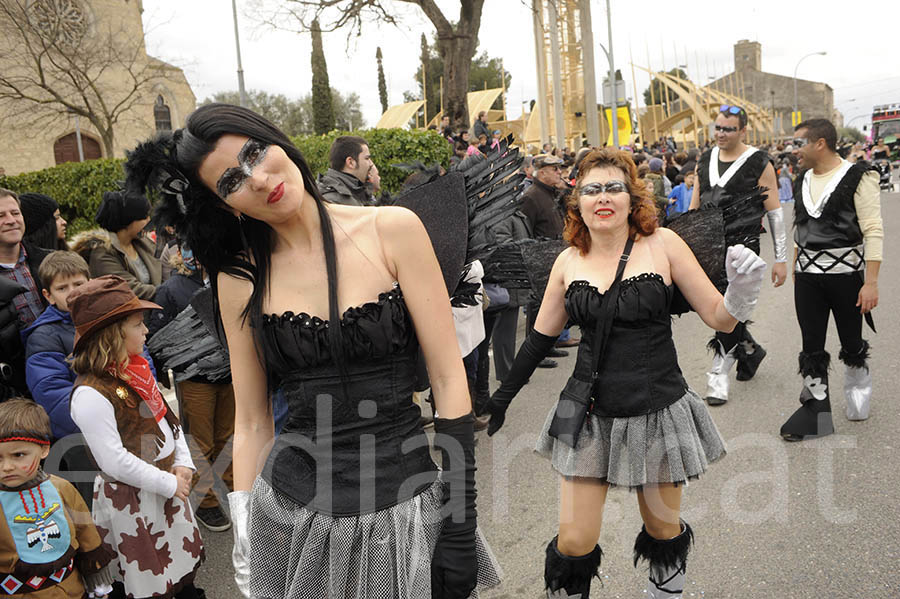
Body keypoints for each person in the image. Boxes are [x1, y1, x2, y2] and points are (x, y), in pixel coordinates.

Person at [123, 103, 499, 598]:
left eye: (255, 153)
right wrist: (246, 527)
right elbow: (255, 420)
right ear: (224, 205)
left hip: (404, 506)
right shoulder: (238, 279)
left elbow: (450, 381)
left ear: (277, 140)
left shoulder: (394, 230)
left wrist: (459, 519)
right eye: (231, 180)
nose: (257, 179)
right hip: (292, 517)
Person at [485, 148, 766, 598]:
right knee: (574, 543)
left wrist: (739, 297)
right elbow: (539, 340)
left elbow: (718, 317)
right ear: (576, 199)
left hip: (657, 409)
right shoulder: (567, 261)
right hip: (590, 414)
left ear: (632, 197)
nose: (603, 197)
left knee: (661, 531)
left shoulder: (664, 245)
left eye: (613, 187)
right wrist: (501, 398)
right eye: (591, 188)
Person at [67, 275, 203, 599]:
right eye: (138, 324)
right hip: (133, 501)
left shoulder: (137, 370)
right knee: (148, 578)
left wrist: (183, 462)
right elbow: (113, 460)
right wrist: (169, 484)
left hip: (166, 486)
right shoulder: (90, 394)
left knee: (181, 570)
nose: (146, 331)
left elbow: (167, 420)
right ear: (112, 334)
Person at [781, 118, 882, 441]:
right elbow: (801, 227)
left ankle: (858, 390)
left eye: (798, 143)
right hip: (808, 278)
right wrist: (797, 265)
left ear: (819, 143)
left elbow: (873, 230)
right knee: (811, 346)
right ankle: (818, 415)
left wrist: (872, 282)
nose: (792, 150)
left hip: (847, 277)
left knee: (851, 342)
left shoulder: (858, 177)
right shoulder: (801, 180)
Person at [689, 104, 787, 406]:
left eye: (728, 129)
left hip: (743, 247)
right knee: (719, 308)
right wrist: (685, 243)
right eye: (717, 127)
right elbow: (695, 204)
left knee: (728, 308)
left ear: (742, 130)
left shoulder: (759, 161)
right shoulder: (704, 159)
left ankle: (719, 372)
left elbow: (775, 212)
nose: (720, 133)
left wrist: (781, 258)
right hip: (708, 245)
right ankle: (749, 349)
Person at [148, 244, 235, 532]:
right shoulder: (172, 288)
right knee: (200, 442)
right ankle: (205, 501)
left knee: (229, 437)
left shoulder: (231, 278)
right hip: (195, 379)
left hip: (230, 375)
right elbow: (157, 335)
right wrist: (162, 373)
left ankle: (237, 494)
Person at [0, 399, 113, 598]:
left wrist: (99, 584)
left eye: (18, 455)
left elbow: (86, 534)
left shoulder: (61, 488)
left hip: (72, 590)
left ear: (44, 449)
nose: (7, 467)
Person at [21, 251, 96, 505]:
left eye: (78, 284)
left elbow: (140, 359)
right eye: (62, 288)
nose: (73, 292)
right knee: (95, 505)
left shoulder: (108, 318)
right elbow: (52, 396)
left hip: (126, 425)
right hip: (81, 438)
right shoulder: (43, 335)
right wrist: (102, 420)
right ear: (48, 296)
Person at [0, 188, 51, 399]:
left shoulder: (50, 261)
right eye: (0, 216)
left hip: (63, 372)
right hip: (17, 390)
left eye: (15, 213)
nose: (11, 220)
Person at [70, 190, 162, 300]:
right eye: (144, 217)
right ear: (128, 220)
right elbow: (129, 288)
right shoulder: (103, 253)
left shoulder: (143, 244)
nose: (149, 221)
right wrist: (167, 292)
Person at [316, 135, 375, 206]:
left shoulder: (355, 192)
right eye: (367, 158)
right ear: (350, 162)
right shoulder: (332, 201)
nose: (371, 164)